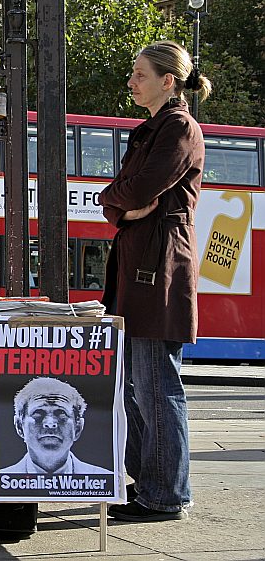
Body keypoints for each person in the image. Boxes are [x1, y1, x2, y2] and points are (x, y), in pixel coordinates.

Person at [99, 40, 210, 522]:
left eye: (139, 74)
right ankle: (148, 485)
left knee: (154, 386)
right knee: (133, 388)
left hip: (157, 271)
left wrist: (124, 202)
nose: (131, 81)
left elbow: (140, 189)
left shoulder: (179, 127)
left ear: (168, 81)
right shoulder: (152, 129)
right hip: (140, 267)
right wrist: (120, 205)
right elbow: (118, 196)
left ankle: (164, 494)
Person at [0, 377, 110, 475]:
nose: (50, 423)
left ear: (78, 427)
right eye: (38, 414)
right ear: (20, 426)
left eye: (61, 414)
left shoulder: (104, 479)